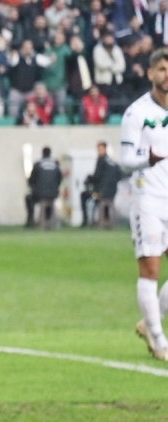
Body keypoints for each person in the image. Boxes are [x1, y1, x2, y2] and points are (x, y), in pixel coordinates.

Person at [119, 48, 168, 361]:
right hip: (147, 198)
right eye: (162, 69)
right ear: (150, 73)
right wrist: (147, 159)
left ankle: (149, 323)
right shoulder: (136, 113)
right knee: (150, 268)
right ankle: (160, 342)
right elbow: (125, 159)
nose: (167, 75)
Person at [25, 147, 62, 228]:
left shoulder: (38, 164)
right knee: (49, 202)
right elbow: (59, 179)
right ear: (50, 153)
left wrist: (34, 187)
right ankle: (51, 221)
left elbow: (31, 180)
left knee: (28, 198)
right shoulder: (55, 165)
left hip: (39, 194)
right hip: (53, 194)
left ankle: (30, 221)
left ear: (42, 153)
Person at [88, 141, 122, 228]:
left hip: (103, 189)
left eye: (100, 149)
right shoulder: (112, 162)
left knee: (99, 203)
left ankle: (99, 222)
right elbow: (119, 174)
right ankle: (110, 222)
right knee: (110, 205)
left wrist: (90, 180)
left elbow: (97, 176)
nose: (99, 151)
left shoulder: (101, 161)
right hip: (113, 189)